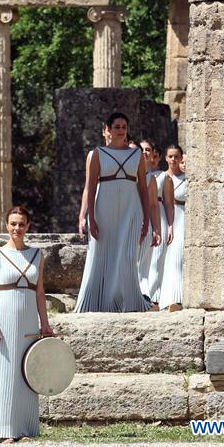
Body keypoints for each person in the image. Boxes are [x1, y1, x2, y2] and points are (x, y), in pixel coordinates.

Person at [74, 112, 160, 313]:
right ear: (108, 130)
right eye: (117, 127)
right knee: (101, 254)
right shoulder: (97, 154)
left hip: (131, 208)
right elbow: (91, 187)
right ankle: (96, 302)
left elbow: (142, 189)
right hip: (104, 207)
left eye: (124, 127)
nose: (121, 130)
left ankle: (129, 301)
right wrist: (88, 217)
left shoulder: (136, 154)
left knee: (128, 255)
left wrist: (146, 219)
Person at [0, 205, 55, 443]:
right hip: (3, 319)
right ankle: (5, 429)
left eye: (21, 224)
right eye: (13, 223)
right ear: (6, 225)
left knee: (27, 372)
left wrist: (45, 324)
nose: (17, 228)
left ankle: (25, 428)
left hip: (27, 320)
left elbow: (39, 293)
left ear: (28, 226)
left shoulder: (37, 255)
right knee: (5, 373)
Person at [137, 139, 173, 303]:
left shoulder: (159, 177)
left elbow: (163, 203)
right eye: (142, 149)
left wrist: (161, 227)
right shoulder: (131, 173)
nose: (145, 153)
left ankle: (152, 297)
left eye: (148, 150)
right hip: (133, 216)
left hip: (153, 216)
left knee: (152, 260)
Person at [159, 144, 187, 312]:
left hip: (184, 218)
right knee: (169, 258)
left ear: (181, 158)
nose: (174, 160)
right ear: (166, 158)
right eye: (170, 156)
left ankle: (180, 298)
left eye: (177, 156)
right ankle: (169, 299)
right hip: (167, 218)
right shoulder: (162, 177)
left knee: (180, 256)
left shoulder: (188, 178)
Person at [78, 122, 112, 238]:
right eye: (108, 130)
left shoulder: (126, 155)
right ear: (103, 132)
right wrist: (82, 215)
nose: (111, 133)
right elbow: (88, 187)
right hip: (99, 202)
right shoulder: (93, 155)